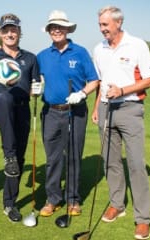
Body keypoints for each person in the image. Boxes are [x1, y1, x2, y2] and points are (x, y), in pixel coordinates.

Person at [91, 6, 150, 240]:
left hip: (130, 108)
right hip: (106, 108)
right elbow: (101, 80)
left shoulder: (137, 45)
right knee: (110, 161)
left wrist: (123, 90)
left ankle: (142, 219)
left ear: (118, 23)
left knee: (136, 165)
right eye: (100, 25)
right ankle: (117, 204)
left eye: (105, 25)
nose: (102, 29)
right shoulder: (99, 49)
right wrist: (97, 105)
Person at [0, 13, 41, 222]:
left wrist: (38, 89)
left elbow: (33, 88)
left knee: (18, 161)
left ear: (20, 32)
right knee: (4, 97)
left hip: (21, 109)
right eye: (6, 30)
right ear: (0, 33)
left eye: (14, 30)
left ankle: (9, 204)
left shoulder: (30, 58)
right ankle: (9, 154)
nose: (10, 34)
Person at [37, 10, 99, 218]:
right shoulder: (42, 56)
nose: (57, 30)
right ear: (49, 31)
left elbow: (94, 80)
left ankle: (73, 199)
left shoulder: (80, 52)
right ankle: (53, 199)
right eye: (53, 27)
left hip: (76, 111)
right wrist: (34, 88)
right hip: (51, 113)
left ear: (67, 29)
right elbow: (35, 83)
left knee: (73, 155)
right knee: (53, 158)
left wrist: (82, 93)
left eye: (60, 26)